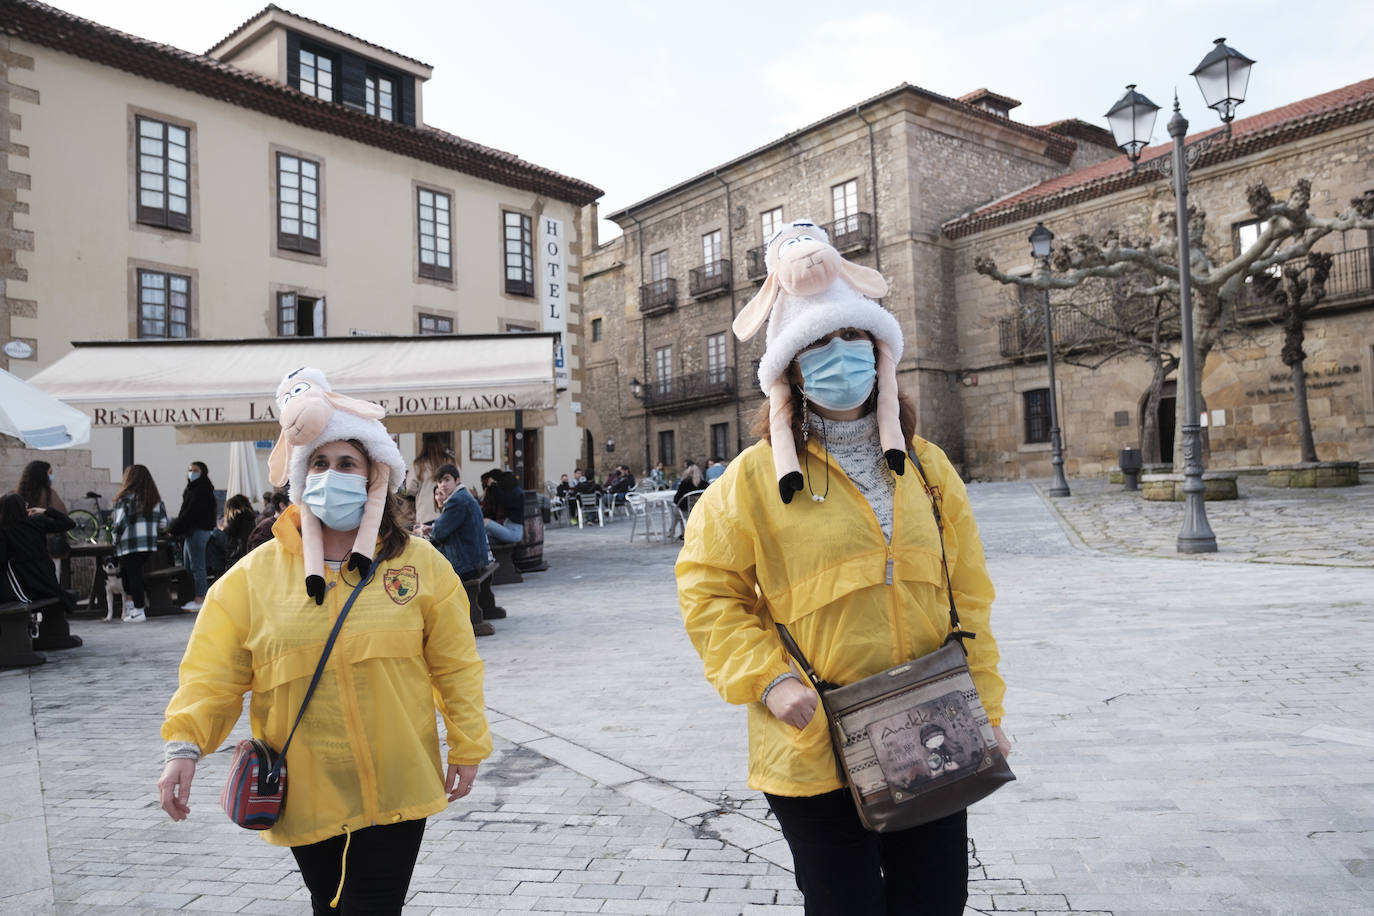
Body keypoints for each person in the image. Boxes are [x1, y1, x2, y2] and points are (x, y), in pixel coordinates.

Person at [676, 220, 1008, 915]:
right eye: (818, 343)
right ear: (791, 367)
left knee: (933, 905)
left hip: (932, 728)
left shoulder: (929, 469)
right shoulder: (750, 480)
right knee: (845, 905)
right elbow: (708, 593)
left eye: (853, 337)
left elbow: (969, 598)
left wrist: (989, 713)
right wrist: (766, 680)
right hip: (813, 739)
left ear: (881, 351)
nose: (840, 355)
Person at [158, 376, 490, 916]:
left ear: (374, 476)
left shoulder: (421, 566)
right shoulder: (252, 578)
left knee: (372, 905)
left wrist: (468, 744)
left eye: (347, 463)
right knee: (329, 904)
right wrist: (184, 748)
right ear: (299, 474)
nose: (331, 475)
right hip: (306, 787)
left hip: (398, 782)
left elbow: (455, 664)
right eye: (319, 463)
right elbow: (212, 674)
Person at [0, 492, 81, 649]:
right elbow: (69, 523)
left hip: (28, 587)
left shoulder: (4, 531)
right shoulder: (36, 522)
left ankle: (15, 642)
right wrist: (45, 511)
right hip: (48, 584)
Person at [428, 464, 495, 637]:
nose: (442, 485)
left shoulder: (458, 500)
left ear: (457, 480)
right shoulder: (464, 497)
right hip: (475, 558)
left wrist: (429, 531)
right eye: (439, 481)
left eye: (447, 480)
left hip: (465, 563)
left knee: (428, 573)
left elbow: (439, 533)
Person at [110, 464, 168, 623]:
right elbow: (163, 524)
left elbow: (119, 523)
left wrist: (114, 540)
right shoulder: (155, 499)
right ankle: (133, 609)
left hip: (129, 543)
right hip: (148, 545)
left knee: (131, 576)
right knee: (135, 574)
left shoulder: (125, 498)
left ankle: (138, 610)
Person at [168, 461, 216, 612]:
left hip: (198, 531)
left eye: (195, 470)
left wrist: (174, 529)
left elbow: (190, 513)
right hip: (192, 532)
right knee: (190, 566)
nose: (191, 472)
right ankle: (194, 597)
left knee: (197, 567)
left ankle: (200, 598)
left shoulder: (201, 490)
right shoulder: (195, 489)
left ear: (203, 472)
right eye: (190, 470)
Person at [16, 459, 69, 576]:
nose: (51, 476)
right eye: (49, 473)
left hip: (25, 548)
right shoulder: (49, 493)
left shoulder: (18, 495)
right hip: (49, 548)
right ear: (42, 475)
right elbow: (63, 516)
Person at [405, 433, 454, 530]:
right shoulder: (450, 461)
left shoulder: (419, 464)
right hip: (447, 512)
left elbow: (410, 488)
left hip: (425, 513)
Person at [480, 471, 525, 545]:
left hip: (514, 532)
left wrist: (493, 485)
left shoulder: (518, 493)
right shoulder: (513, 491)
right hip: (507, 528)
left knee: (486, 522)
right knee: (483, 538)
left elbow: (504, 500)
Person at [218, 494, 257, 571]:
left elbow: (230, 531)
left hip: (235, 552)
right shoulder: (250, 516)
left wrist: (221, 528)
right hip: (247, 549)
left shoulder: (236, 515)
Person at [671, 460, 706, 539]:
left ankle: (673, 532)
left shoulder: (684, 483)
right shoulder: (704, 484)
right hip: (700, 511)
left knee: (676, 511)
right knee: (679, 511)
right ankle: (684, 533)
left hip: (686, 512)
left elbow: (676, 500)